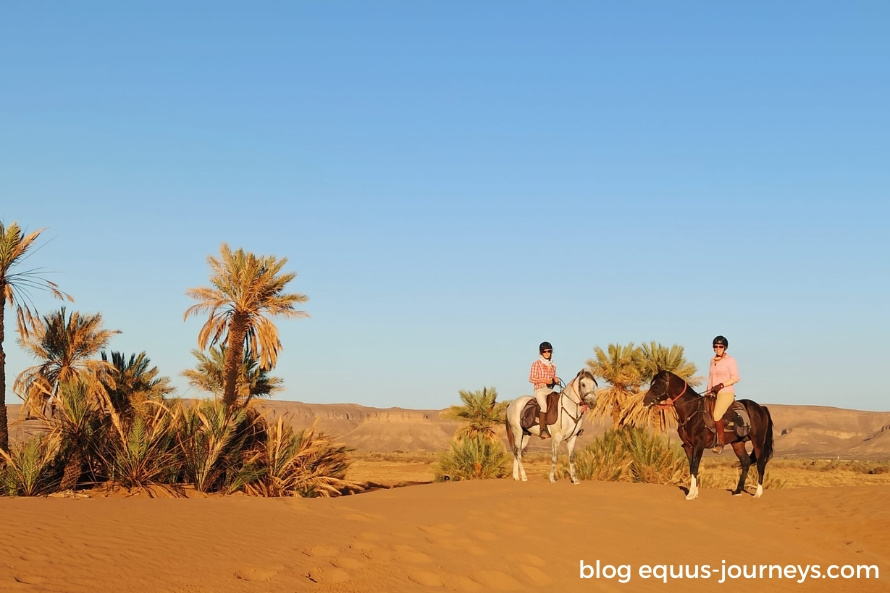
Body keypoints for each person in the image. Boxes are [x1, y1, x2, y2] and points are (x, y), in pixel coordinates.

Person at [707, 335, 740, 454]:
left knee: (716, 414)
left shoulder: (730, 360)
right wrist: (708, 392)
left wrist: (721, 385)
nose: (717, 348)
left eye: (720, 346)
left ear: (724, 347)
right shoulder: (712, 361)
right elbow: (710, 378)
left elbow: (735, 378)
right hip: (713, 393)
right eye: (715, 346)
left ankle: (720, 443)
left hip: (726, 393)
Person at [529, 341, 560, 439]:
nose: (546, 353)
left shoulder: (553, 366)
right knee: (543, 406)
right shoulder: (536, 364)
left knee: (560, 402)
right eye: (544, 351)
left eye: (548, 351)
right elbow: (531, 378)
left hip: (550, 390)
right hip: (540, 390)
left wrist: (555, 380)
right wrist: (544, 380)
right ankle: (542, 430)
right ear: (540, 353)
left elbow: (552, 380)